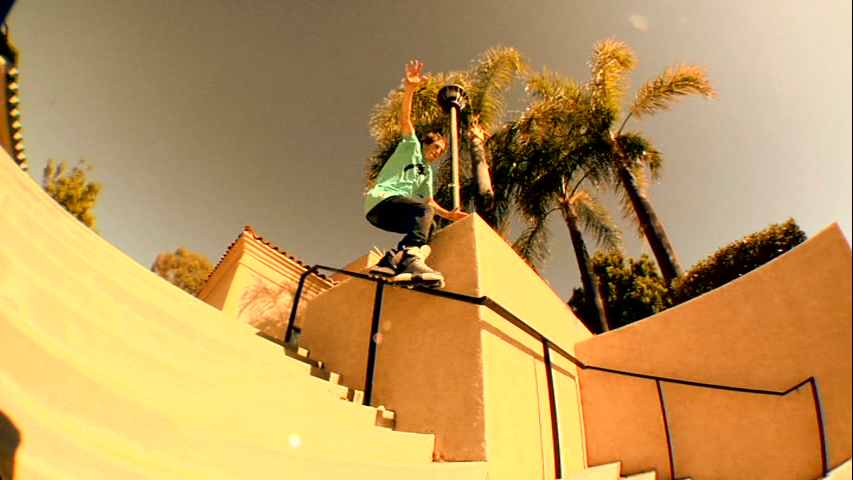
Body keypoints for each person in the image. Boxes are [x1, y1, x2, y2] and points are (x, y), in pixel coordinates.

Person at [365, 60, 468, 287]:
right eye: (436, 147)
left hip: (389, 215)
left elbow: (429, 201)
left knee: (430, 225)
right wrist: (410, 88)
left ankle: (390, 261)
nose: (437, 153)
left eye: (441, 151)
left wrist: (450, 215)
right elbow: (405, 119)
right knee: (423, 211)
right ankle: (410, 260)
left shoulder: (426, 173)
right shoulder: (411, 146)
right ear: (426, 143)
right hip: (382, 201)